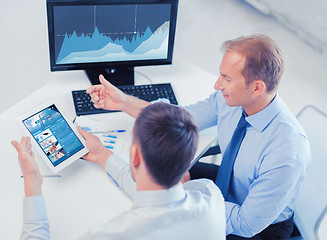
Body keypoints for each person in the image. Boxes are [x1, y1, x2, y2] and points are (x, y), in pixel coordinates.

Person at [87, 34, 311, 239]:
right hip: (228, 185)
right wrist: (123, 102)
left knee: (163, 194)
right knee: (158, 173)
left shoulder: (287, 152)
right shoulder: (230, 101)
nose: (217, 85)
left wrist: (183, 198)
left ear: (256, 88)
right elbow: (176, 119)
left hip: (260, 229)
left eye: (226, 78)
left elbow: (246, 223)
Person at [12, 102, 226, 240]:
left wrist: (32, 183)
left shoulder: (113, 234)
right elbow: (159, 196)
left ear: (134, 156)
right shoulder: (210, 195)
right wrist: (102, 155)